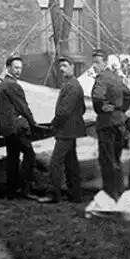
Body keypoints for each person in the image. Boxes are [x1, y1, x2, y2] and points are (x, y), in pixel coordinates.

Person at [91, 48, 130, 200]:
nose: (94, 66)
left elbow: (97, 97)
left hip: (106, 123)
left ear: (105, 63)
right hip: (119, 123)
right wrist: (120, 109)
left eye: (97, 62)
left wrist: (101, 108)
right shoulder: (116, 77)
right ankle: (119, 191)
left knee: (106, 160)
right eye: (93, 62)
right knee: (116, 158)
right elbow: (128, 95)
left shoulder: (102, 78)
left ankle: (110, 194)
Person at [43, 54, 86, 203]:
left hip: (66, 131)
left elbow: (64, 111)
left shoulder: (72, 86)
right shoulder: (71, 84)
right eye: (60, 66)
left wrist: (54, 124)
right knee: (71, 162)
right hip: (70, 130)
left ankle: (53, 194)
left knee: (56, 162)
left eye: (65, 66)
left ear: (72, 67)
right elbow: (82, 109)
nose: (62, 69)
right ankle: (75, 195)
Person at [0, 55, 39, 200]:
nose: (18, 71)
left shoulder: (4, 83)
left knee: (13, 158)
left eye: (20, 68)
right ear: (8, 68)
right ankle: (25, 188)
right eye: (15, 68)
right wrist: (32, 122)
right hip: (17, 128)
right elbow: (23, 107)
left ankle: (11, 190)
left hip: (8, 128)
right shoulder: (12, 85)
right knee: (30, 156)